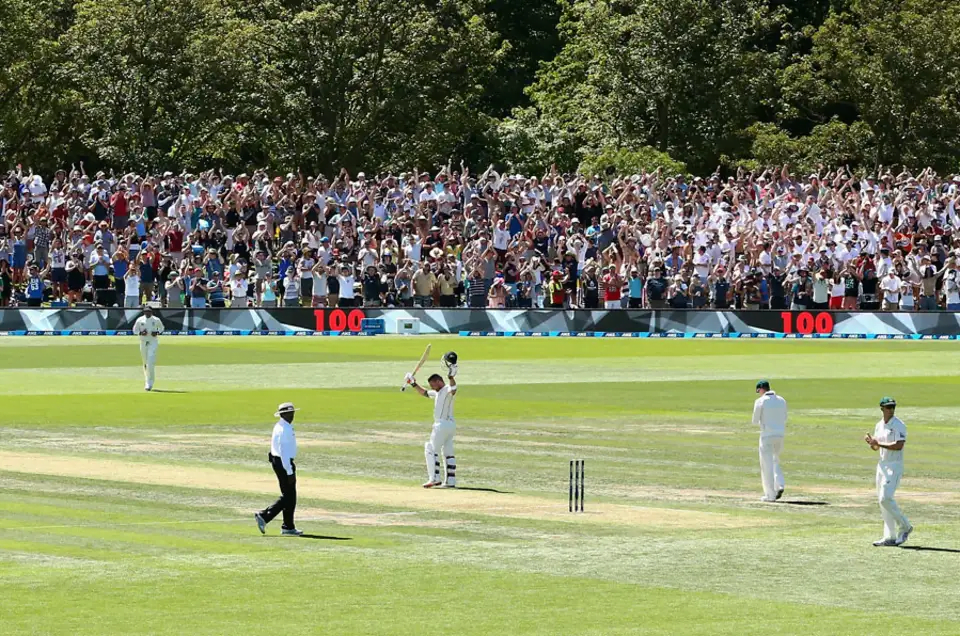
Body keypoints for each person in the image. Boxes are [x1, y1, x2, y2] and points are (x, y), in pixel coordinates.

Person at [864, 396, 913, 547]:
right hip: (882, 465)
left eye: (893, 407)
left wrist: (879, 444)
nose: (891, 410)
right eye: (888, 407)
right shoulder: (879, 425)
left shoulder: (899, 425)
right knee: (881, 501)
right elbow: (877, 447)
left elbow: (899, 446)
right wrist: (872, 443)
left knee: (886, 498)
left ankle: (905, 526)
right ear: (882, 408)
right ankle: (889, 537)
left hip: (894, 466)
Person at [405, 360, 459, 488]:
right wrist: (413, 383)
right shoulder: (438, 392)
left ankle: (434, 478)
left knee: (430, 448)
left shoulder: (446, 389)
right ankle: (450, 481)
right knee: (447, 452)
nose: (432, 387)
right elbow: (424, 393)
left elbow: (454, 389)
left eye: (433, 384)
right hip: (451, 426)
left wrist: (451, 377)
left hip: (441, 425)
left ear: (438, 381)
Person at [254, 402, 303, 536]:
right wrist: (289, 471)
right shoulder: (284, 429)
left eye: (293, 412)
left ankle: (288, 526)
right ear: (283, 414)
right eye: (289, 413)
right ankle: (265, 516)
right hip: (283, 463)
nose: (292, 415)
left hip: (281, 462)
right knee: (288, 496)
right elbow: (284, 452)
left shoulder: (284, 426)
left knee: (291, 496)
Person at [752, 380, 786, 502]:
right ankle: (780, 484)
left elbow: (755, 420)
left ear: (761, 389)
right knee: (775, 460)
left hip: (767, 435)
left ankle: (770, 495)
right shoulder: (781, 400)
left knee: (766, 465)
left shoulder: (760, 401)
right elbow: (784, 417)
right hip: (780, 434)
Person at [132, 305, 164, 391]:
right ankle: (147, 380)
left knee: (150, 361)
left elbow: (162, 328)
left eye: (149, 312)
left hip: (153, 342)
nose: (147, 313)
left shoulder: (156, 320)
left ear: (151, 312)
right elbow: (134, 330)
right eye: (146, 312)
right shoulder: (140, 320)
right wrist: (141, 332)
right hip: (143, 342)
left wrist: (156, 332)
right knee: (145, 363)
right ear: (144, 312)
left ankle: (149, 383)